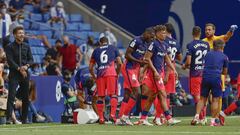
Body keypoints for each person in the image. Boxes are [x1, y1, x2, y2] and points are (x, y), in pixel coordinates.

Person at [134, 25, 180, 126]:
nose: (164, 34)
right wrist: (154, 71)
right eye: (162, 33)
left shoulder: (164, 45)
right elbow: (147, 58)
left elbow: (167, 58)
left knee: (152, 97)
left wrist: (174, 70)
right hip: (155, 74)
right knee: (163, 94)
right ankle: (168, 118)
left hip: (159, 73)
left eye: (165, 32)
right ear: (157, 34)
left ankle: (142, 118)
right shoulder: (153, 44)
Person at [118, 27, 154, 125]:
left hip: (135, 69)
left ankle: (119, 118)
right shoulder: (136, 40)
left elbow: (143, 59)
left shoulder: (146, 44)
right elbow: (127, 55)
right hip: (128, 68)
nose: (151, 39)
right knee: (137, 92)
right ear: (146, 33)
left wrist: (141, 69)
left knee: (127, 93)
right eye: (151, 36)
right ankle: (125, 116)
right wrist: (139, 62)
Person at [202, 23, 238, 121]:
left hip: (218, 73)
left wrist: (231, 30)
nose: (207, 31)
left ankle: (217, 116)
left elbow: (227, 36)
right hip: (206, 72)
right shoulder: (202, 42)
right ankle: (202, 117)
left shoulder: (218, 40)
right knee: (204, 97)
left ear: (214, 31)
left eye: (209, 30)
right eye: (206, 30)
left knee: (218, 97)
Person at [191, 39, 229, 126]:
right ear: (222, 46)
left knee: (202, 99)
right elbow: (225, 72)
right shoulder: (224, 57)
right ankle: (212, 122)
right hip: (216, 78)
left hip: (205, 77)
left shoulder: (207, 54)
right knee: (215, 100)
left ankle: (196, 117)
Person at [89, 37, 122, 124]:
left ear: (100, 43)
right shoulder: (113, 48)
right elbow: (119, 63)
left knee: (100, 97)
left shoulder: (96, 50)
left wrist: (94, 76)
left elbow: (90, 67)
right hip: (111, 74)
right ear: (108, 42)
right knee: (113, 95)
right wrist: (117, 73)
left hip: (100, 75)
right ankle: (112, 115)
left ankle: (101, 118)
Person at [5, 26, 33, 124]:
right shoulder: (9, 47)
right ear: (15, 35)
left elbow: (31, 60)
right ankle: (8, 118)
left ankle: (24, 119)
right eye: (19, 33)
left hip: (25, 74)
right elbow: (10, 61)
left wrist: (26, 66)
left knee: (25, 97)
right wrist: (19, 69)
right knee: (11, 96)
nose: (22, 34)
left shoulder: (27, 46)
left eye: (23, 33)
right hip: (14, 74)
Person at [182, 26, 210, 123]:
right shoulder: (206, 44)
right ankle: (204, 117)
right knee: (204, 96)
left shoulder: (190, 45)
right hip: (205, 73)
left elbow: (188, 62)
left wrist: (184, 66)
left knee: (197, 96)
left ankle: (200, 117)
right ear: (200, 33)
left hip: (195, 74)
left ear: (192, 33)